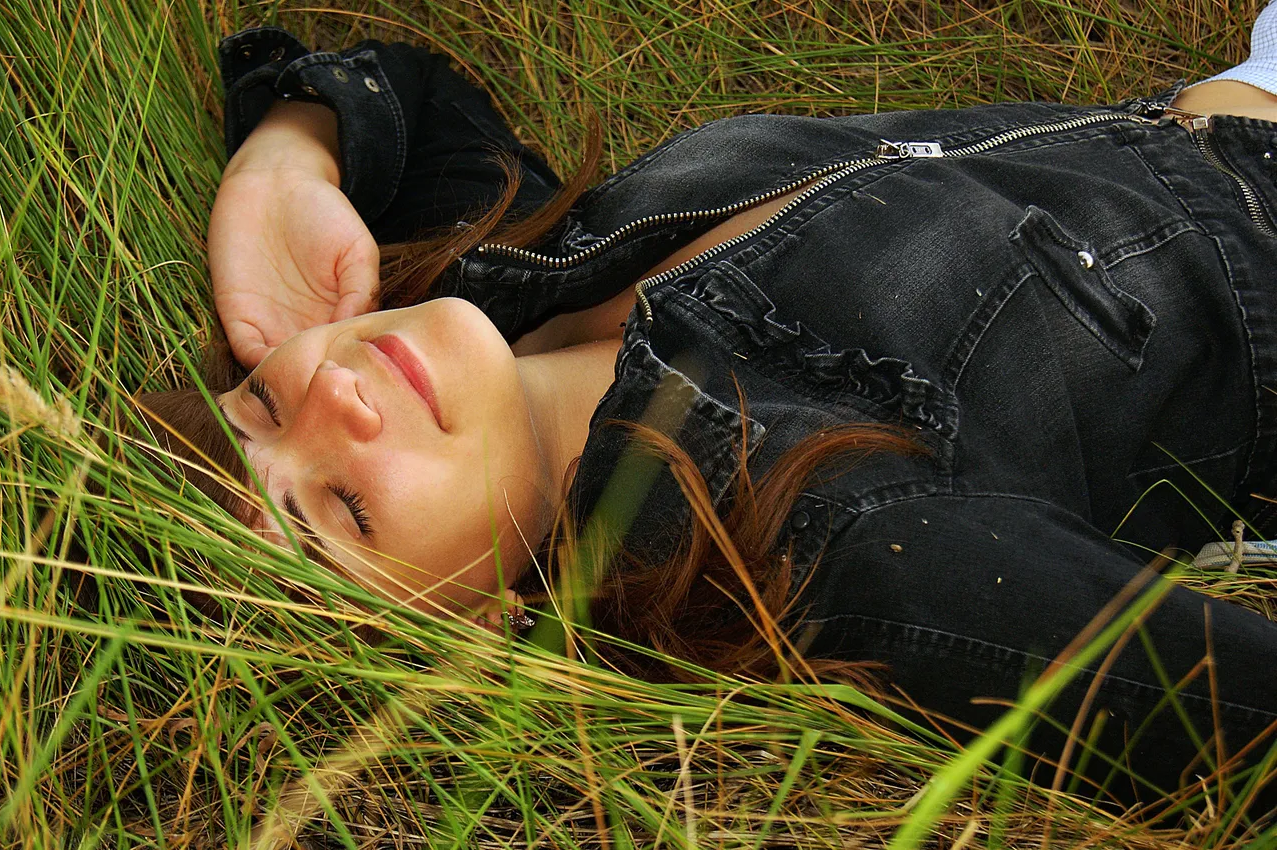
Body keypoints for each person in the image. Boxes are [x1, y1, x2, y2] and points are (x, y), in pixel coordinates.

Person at [140, 9, 1277, 814]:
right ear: (463, 632)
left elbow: (412, 91)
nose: (333, 394)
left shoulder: (519, 281)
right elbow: (1227, 707)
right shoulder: (815, 533)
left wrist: (286, 163)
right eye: (342, 508)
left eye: (259, 397)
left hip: (1237, 88)